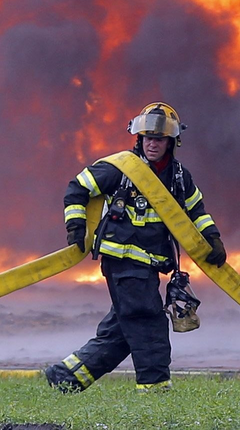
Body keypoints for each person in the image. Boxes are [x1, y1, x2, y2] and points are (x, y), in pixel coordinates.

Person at [43, 101, 226, 393]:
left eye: (160, 138)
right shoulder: (120, 168)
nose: (153, 144)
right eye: (148, 138)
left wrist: (212, 239)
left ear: (172, 142)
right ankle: (155, 390)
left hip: (150, 266)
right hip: (122, 263)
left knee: (122, 331)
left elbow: (196, 211)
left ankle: (67, 378)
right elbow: (76, 189)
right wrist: (76, 227)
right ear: (138, 138)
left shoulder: (179, 177)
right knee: (147, 322)